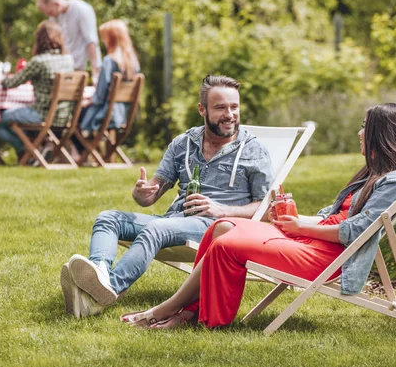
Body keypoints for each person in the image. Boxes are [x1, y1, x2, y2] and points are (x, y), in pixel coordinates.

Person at [123, 103, 396, 329]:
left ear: (381, 133)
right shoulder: (374, 173)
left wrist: (301, 226)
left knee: (227, 245)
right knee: (222, 227)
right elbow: (334, 218)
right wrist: (295, 218)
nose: (359, 132)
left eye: (365, 126)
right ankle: (189, 311)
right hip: (314, 242)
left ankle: (165, 311)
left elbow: (356, 231)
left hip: (327, 258)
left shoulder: (394, 182)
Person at [62, 75, 274, 318]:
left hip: (216, 227)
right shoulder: (183, 143)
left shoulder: (254, 151)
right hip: (176, 219)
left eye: (234, 107)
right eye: (220, 108)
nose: (230, 114)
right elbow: (149, 196)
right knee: (108, 218)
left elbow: (265, 209)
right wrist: (141, 192)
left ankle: (108, 289)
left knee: (157, 229)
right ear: (202, 109)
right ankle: (97, 275)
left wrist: (221, 210)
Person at [0, 20, 74, 156]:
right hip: (64, 116)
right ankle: (35, 150)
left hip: (42, 115)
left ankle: (25, 150)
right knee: (17, 116)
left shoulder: (38, 61)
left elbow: (12, 83)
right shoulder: (68, 60)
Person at [79, 19, 139, 132]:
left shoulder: (109, 61)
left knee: (73, 118)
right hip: (122, 115)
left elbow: (100, 96)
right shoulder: (133, 62)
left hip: (104, 115)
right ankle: (94, 149)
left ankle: (81, 150)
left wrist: (87, 102)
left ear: (111, 38)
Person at [37, 0, 102, 83]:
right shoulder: (55, 16)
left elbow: (91, 41)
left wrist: (95, 73)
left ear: (56, 4)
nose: (50, 16)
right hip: (67, 67)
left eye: (50, 12)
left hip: (84, 68)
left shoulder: (81, 9)